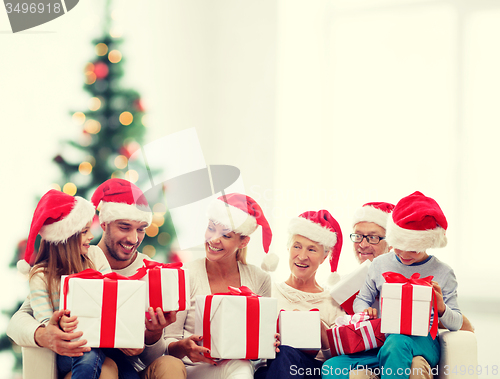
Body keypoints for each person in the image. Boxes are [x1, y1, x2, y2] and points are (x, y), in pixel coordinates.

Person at [7, 178, 186, 379]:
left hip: (121, 357)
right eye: (125, 227)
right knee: (103, 367)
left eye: (141, 229)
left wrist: (149, 336)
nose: (134, 239)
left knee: (156, 366)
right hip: (81, 356)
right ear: (104, 223)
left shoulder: (151, 274)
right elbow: (18, 321)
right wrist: (45, 332)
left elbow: (149, 356)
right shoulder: (52, 272)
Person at [323, 191, 463, 379]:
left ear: (428, 243)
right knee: (331, 367)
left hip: (423, 342)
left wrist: (441, 308)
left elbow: (457, 323)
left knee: (397, 342)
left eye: (412, 249)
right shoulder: (381, 263)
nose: (404, 254)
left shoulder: (444, 272)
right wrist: (364, 311)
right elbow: (361, 300)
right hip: (382, 342)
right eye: (398, 245)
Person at [143, 193, 275, 379]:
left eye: (226, 235)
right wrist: (184, 347)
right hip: (188, 368)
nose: (213, 239)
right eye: (211, 229)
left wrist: (267, 343)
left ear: (243, 241)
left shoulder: (259, 279)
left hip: (236, 368)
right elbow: (167, 342)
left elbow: (260, 353)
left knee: (240, 366)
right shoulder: (185, 275)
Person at [19, 189, 134, 379]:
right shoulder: (40, 275)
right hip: (70, 348)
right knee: (87, 355)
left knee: (129, 373)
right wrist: (60, 324)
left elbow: (112, 293)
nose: (91, 236)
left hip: (103, 341)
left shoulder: (95, 255)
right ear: (65, 239)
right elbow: (46, 323)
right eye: (84, 232)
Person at [255, 210, 346, 379]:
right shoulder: (267, 292)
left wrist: (319, 329)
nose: (302, 256)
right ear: (288, 248)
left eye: (312, 250)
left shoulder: (332, 302)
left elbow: (339, 363)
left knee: (286, 352)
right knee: (279, 357)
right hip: (271, 369)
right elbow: (252, 353)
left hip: (312, 372)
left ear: (325, 256)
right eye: (297, 246)